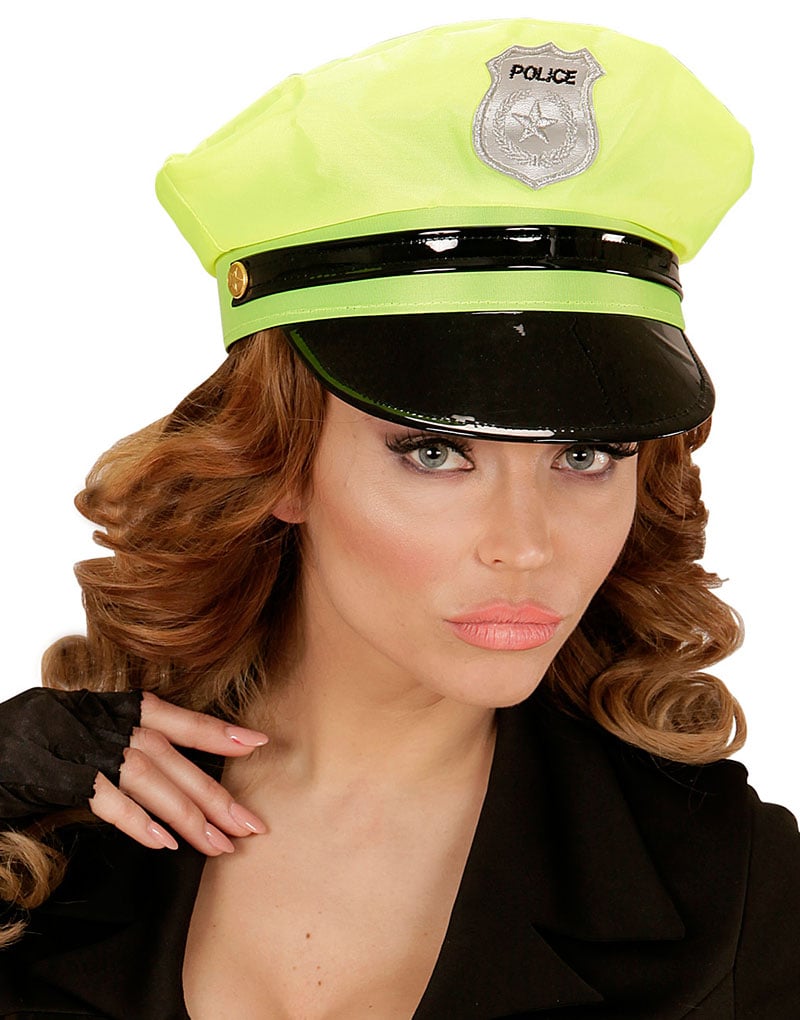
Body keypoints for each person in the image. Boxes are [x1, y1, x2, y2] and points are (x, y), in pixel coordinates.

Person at [0, 17, 798, 1019]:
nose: (525, 544)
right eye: (434, 452)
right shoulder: (50, 831)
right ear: (282, 465)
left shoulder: (736, 891)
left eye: (585, 455)